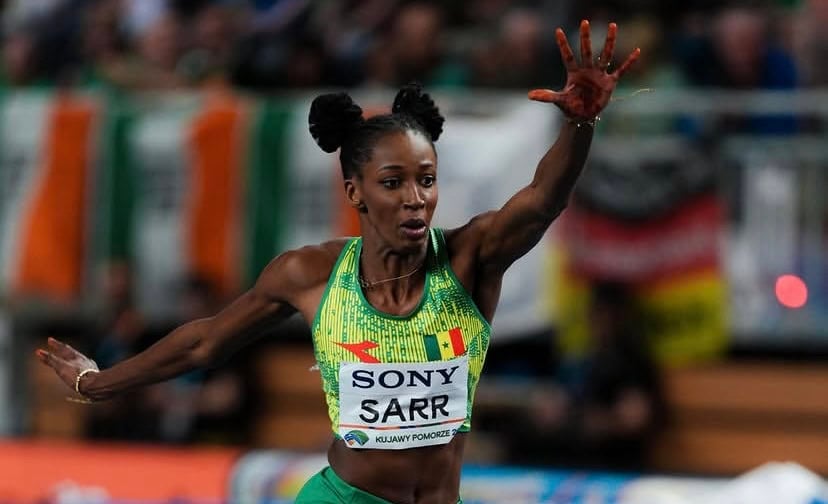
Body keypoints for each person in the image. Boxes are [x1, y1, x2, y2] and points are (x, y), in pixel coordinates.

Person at [36, 20, 639, 504]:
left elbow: (541, 201)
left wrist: (580, 124)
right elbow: (204, 343)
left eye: (427, 180)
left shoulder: (470, 256)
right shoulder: (311, 274)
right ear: (355, 193)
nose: (415, 197)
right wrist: (98, 382)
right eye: (393, 181)